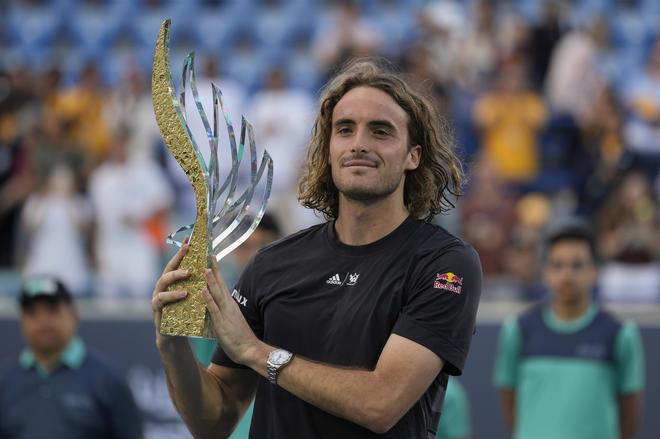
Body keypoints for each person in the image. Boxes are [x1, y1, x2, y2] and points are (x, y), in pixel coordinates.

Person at [152, 60, 482, 438]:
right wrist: (172, 344)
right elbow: (213, 422)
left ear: (413, 156)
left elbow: (380, 404)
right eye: (345, 129)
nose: (359, 143)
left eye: (381, 132)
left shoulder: (445, 264)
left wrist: (257, 352)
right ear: (329, 148)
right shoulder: (271, 263)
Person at [493, 219, 645, 439]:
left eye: (577, 265)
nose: (567, 275)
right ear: (545, 272)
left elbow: (629, 417)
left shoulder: (621, 334)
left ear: (595, 271)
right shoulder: (517, 330)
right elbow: (509, 406)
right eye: (558, 265)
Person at [0, 275, 143, 439]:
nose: (43, 321)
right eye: (32, 313)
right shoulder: (5, 380)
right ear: (22, 320)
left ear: (73, 315)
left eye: (52, 310)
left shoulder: (108, 379)